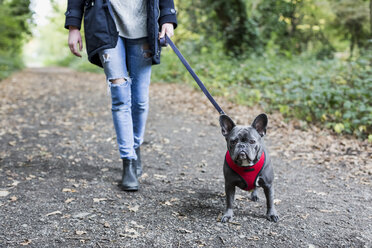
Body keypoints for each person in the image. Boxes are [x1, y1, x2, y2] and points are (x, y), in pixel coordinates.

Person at [64, 0, 177, 191]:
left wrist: (167, 17)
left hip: (143, 28)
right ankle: (129, 162)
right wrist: (74, 25)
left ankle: (135, 145)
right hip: (105, 24)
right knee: (120, 96)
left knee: (139, 101)